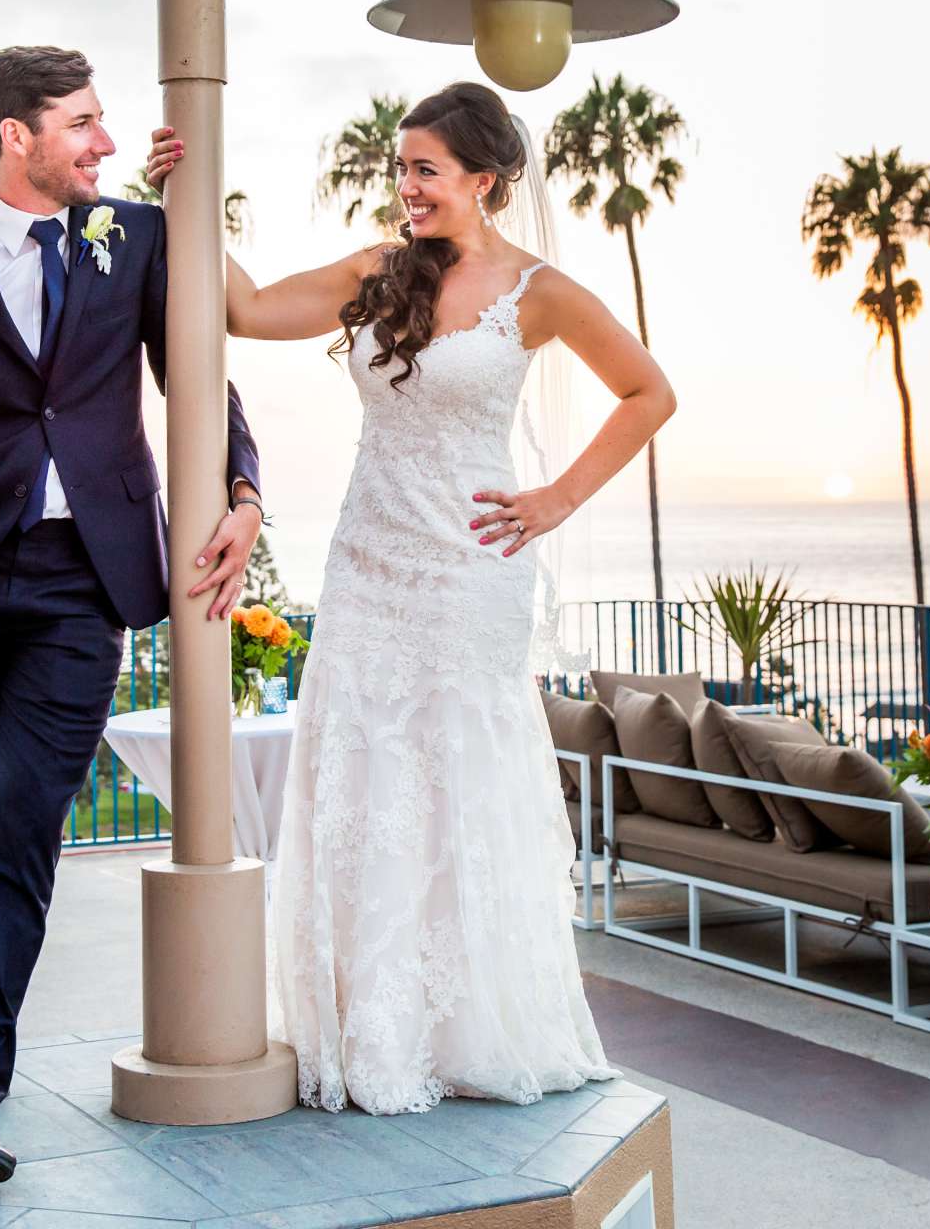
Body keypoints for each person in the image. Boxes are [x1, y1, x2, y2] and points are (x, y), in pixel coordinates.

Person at [162, 80, 676, 1114]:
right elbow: (249, 309)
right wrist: (187, 196)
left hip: (470, 569)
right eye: (402, 168)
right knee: (365, 782)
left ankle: (469, 1026)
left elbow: (649, 392)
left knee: (453, 779)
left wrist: (554, 500)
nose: (407, 187)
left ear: (483, 178)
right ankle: (374, 1025)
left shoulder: (538, 291)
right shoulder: (379, 272)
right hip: (369, 564)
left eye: (426, 169)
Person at [0, 45, 266, 1182]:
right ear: (15, 136)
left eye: (103, 120)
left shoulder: (131, 236)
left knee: (21, 827)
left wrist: (242, 489)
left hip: (87, 580)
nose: (105, 142)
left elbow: (198, 374)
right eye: (80, 124)